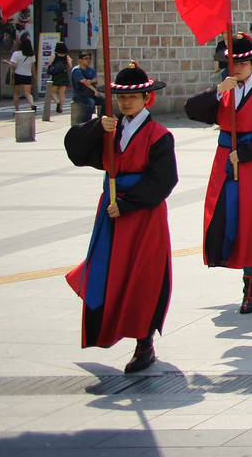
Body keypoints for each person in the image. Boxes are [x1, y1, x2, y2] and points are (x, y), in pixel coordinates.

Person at [64, 62, 177, 374]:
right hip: (111, 213)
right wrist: (97, 128)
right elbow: (75, 150)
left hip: (143, 216)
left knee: (144, 276)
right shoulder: (111, 128)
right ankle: (106, 329)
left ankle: (144, 342)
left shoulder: (159, 135)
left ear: (146, 99)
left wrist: (128, 205)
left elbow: (164, 181)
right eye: (121, 97)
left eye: (134, 97)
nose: (126, 103)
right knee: (109, 272)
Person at [185, 33, 252, 314]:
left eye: (243, 63)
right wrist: (218, 91)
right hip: (224, 164)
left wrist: (246, 152)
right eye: (233, 63)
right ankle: (222, 257)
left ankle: (250, 289)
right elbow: (191, 110)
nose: (238, 68)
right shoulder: (223, 93)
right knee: (223, 215)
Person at [70, 50, 101, 122]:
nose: (88, 60)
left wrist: (91, 81)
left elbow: (95, 81)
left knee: (103, 101)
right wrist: (95, 90)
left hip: (89, 93)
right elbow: (85, 82)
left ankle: (101, 119)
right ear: (80, 60)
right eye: (86, 58)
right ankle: (86, 122)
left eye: (89, 58)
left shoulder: (91, 70)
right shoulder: (77, 70)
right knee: (91, 102)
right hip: (79, 94)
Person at [8, 34, 34, 112]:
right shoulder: (32, 55)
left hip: (18, 74)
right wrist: (34, 75)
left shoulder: (16, 54)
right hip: (28, 75)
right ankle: (32, 104)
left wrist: (6, 62)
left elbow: (14, 65)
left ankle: (17, 109)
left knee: (16, 92)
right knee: (28, 93)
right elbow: (33, 67)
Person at [46, 42, 71, 119]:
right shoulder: (67, 57)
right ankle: (61, 108)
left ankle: (57, 102)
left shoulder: (54, 55)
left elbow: (50, 64)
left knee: (52, 91)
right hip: (63, 75)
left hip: (56, 75)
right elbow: (70, 66)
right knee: (62, 93)